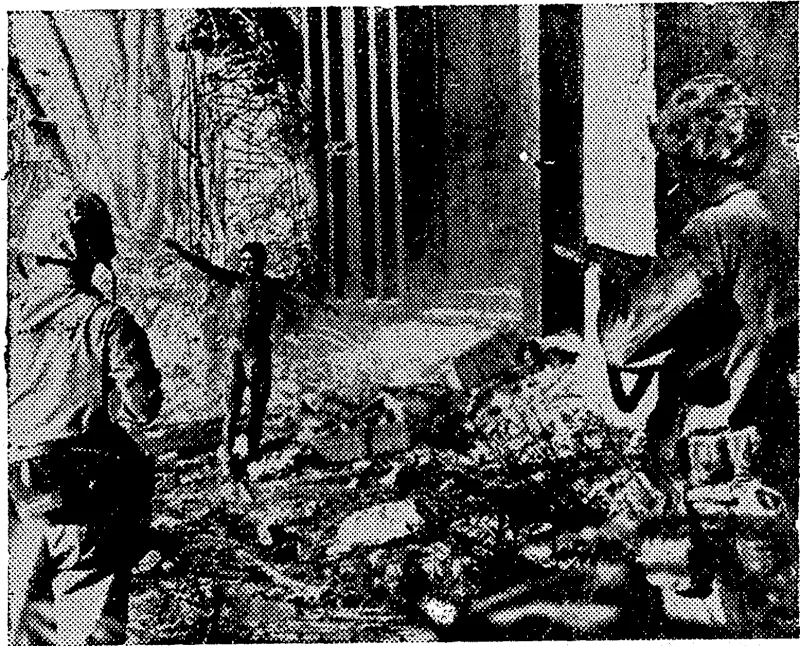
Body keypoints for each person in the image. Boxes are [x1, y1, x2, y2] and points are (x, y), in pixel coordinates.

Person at [598, 74, 796, 597]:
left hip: (723, 435)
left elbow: (630, 339)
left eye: (676, 163)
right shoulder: (772, 217)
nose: (670, 182)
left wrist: (618, 283)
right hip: (772, 420)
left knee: (738, 597)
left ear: (704, 160)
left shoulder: (715, 227)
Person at [8, 182, 163, 644]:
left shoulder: (11, 318)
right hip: (86, 482)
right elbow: (143, 407)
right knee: (90, 622)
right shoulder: (107, 319)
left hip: (18, 477)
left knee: (22, 618)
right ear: (95, 250)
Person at [164, 238, 298, 482]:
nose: (248, 264)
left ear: (262, 262)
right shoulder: (234, 281)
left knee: (258, 404)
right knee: (232, 405)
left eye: (253, 260)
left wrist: (304, 266)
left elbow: (295, 282)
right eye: (244, 260)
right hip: (235, 352)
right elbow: (207, 267)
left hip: (259, 352)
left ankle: (253, 451)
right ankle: (227, 452)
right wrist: (180, 250)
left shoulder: (271, 286)